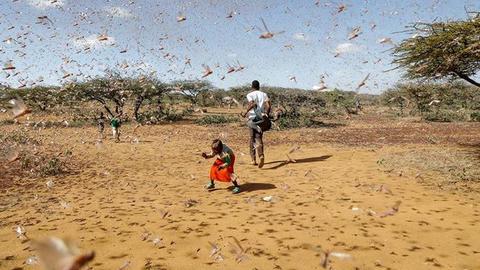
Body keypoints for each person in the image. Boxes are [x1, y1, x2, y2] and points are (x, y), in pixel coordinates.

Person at [241, 80, 271, 168]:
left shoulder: (250, 95)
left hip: (253, 118)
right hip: (261, 118)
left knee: (252, 138)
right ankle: (261, 155)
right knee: (258, 137)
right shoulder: (264, 94)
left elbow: (252, 104)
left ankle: (253, 160)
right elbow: (269, 105)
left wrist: (245, 112)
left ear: (252, 86)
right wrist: (266, 114)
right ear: (259, 86)